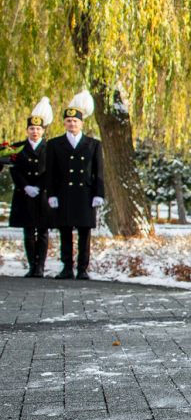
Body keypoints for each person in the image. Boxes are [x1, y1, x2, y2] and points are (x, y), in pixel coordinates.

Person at [45, 90, 104, 280]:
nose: (72, 124)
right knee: (65, 231)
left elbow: (99, 171)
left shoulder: (93, 144)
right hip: (64, 193)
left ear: (82, 123)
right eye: (69, 121)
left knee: (85, 232)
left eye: (75, 121)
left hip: (85, 194)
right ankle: (67, 268)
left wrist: (99, 193)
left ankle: (83, 268)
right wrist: (51, 194)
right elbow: (51, 172)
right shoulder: (55, 144)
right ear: (64, 123)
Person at [10, 98, 53, 278]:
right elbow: (15, 170)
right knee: (28, 231)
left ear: (43, 130)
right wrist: (25, 186)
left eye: (38, 129)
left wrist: (40, 186)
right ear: (27, 130)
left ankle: (40, 267)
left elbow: (51, 171)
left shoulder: (50, 148)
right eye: (32, 129)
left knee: (42, 232)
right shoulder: (18, 148)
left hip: (43, 194)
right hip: (24, 194)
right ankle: (31, 266)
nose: (35, 132)